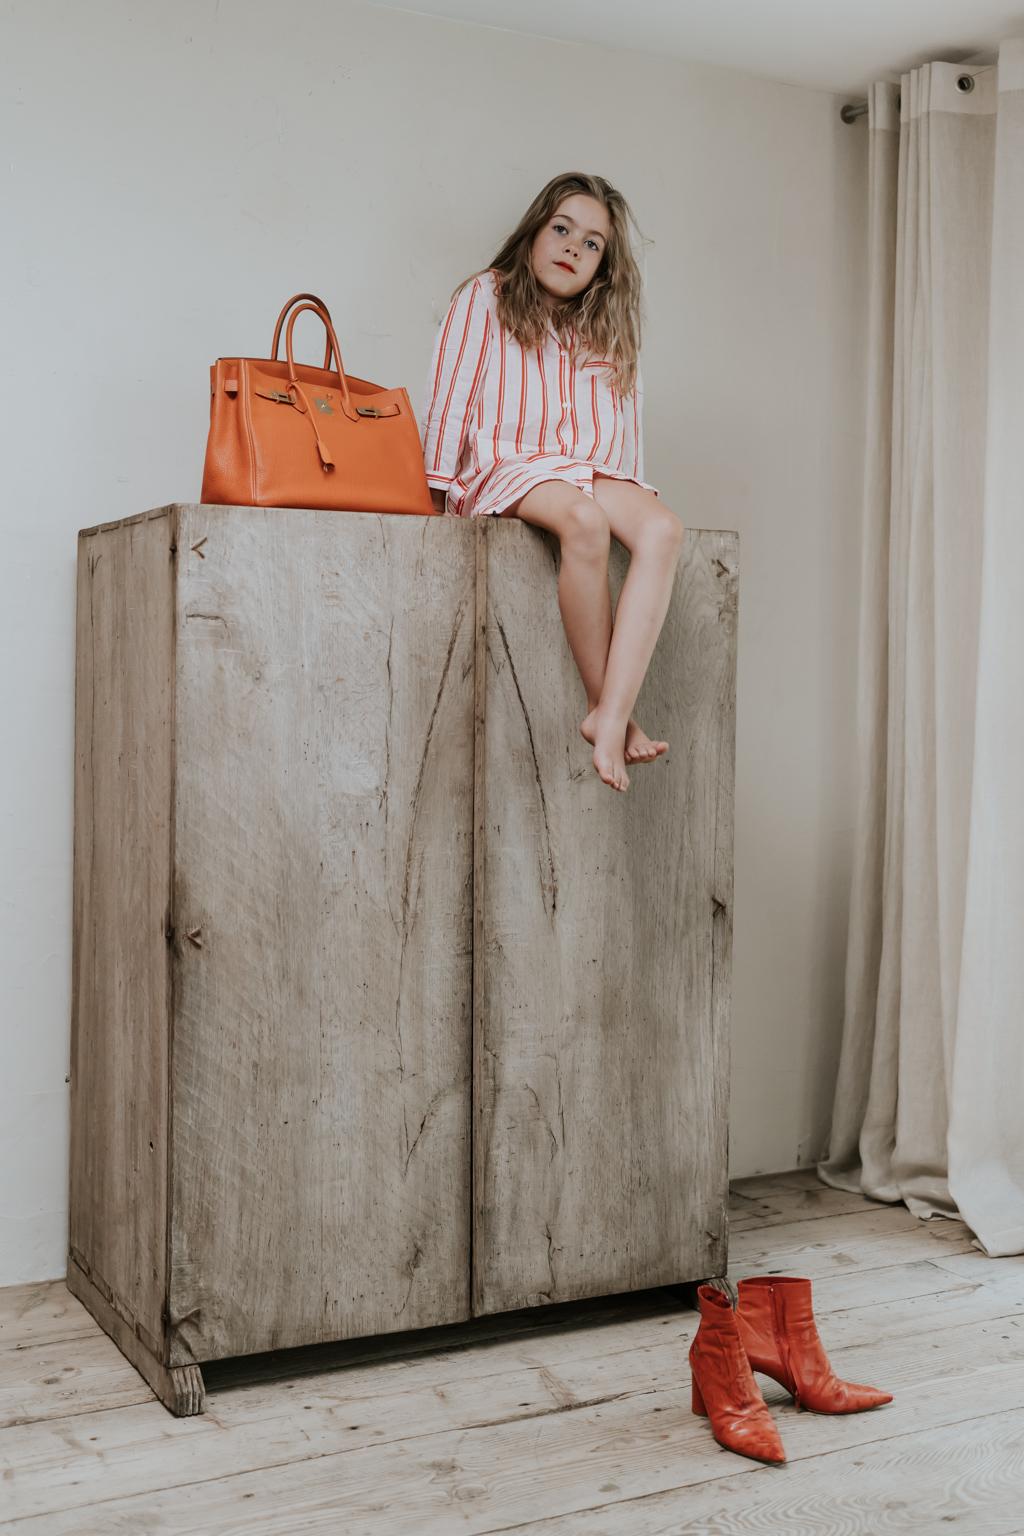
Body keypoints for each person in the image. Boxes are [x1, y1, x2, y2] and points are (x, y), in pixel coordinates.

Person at [419, 171, 685, 793]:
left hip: (590, 469)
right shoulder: (486, 295)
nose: (572, 247)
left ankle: (608, 715)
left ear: (605, 264)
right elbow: (449, 399)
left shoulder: (609, 324)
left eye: (592, 243)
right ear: (535, 232)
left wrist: (636, 496)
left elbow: (626, 419)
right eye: (562, 229)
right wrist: (432, 493)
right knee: (584, 521)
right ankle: (613, 712)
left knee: (662, 528)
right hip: (506, 466)